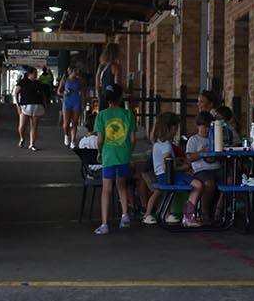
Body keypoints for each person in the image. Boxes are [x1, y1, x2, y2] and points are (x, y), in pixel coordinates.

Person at [92, 85, 135, 235]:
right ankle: (124, 215)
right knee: (122, 185)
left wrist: (99, 152)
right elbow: (132, 138)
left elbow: (100, 139)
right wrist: (129, 151)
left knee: (106, 190)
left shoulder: (101, 115)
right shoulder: (128, 114)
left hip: (108, 155)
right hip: (124, 154)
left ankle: (104, 224)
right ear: (120, 97)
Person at [181, 111, 220, 228]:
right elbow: (189, 158)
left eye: (209, 127)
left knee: (231, 179)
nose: (207, 129)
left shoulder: (215, 139)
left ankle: (219, 208)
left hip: (217, 168)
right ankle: (205, 211)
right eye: (204, 126)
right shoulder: (194, 140)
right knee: (209, 183)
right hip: (202, 170)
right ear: (198, 126)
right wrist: (202, 153)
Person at [143, 112, 181, 225]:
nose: (176, 132)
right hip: (165, 173)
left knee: (162, 192)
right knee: (163, 192)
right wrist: (182, 167)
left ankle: (160, 213)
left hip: (159, 172)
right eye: (175, 129)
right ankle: (153, 214)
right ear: (170, 129)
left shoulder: (159, 142)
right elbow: (167, 162)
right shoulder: (166, 145)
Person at [16, 67, 47, 150]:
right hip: (25, 105)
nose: (36, 74)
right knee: (22, 125)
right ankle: (22, 138)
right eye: (35, 73)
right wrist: (18, 105)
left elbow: (42, 94)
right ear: (30, 73)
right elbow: (16, 92)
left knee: (34, 126)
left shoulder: (38, 83)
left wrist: (44, 103)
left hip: (37, 105)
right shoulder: (23, 82)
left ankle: (32, 144)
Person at [59, 67, 84, 147]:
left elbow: (83, 92)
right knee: (66, 123)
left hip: (76, 101)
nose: (76, 73)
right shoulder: (65, 79)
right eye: (75, 71)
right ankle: (66, 135)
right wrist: (64, 93)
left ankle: (73, 141)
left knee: (75, 122)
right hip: (67, 101)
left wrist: (83, 103)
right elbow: (59, 91)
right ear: (71, 71)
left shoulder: (79, 80)